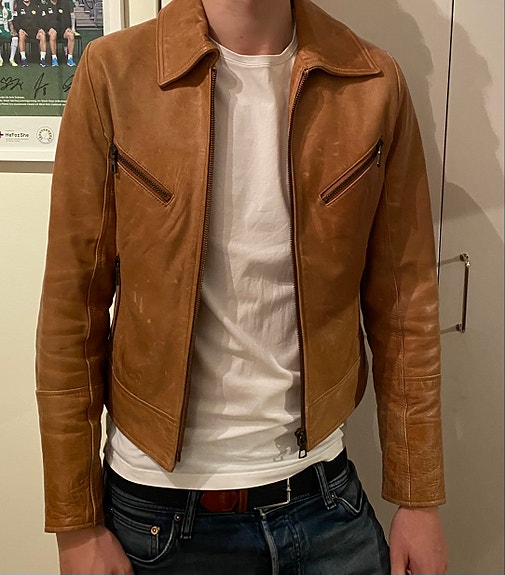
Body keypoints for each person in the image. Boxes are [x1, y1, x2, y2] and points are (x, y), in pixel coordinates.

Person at [36, 0, 448, 573]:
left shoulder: (373, 82)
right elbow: (71, 310)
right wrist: (76, 525)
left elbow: (405, 307)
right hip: (158, 516)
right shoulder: (114, 72)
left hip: (326, 503)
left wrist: (418, 499)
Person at [41, 0, 75, 66]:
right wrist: (48, 29)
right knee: (53, 34)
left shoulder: (63, 4)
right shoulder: (45, 6)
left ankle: (70, 58)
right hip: (51, 31)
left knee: (71, 35)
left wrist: (68, 28)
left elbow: (68, 18)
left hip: (63, 31)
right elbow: (43, 20)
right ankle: (54, 58)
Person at [12, 0, 46, 66]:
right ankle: (23, 59)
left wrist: (41, 29)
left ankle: (43, 59)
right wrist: (19, 29)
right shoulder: (18, 8)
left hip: (35, 31)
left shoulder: (36, 7)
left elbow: (42, 19)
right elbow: (15, 21)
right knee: (21, 35)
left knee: (42, 35)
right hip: (24, 31)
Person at [0, 0, 19, 66]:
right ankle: (0, 59)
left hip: (5, 31)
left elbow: (10, 23)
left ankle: (12, 59)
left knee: (15, 38)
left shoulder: (7, 10)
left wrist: (12, 30)